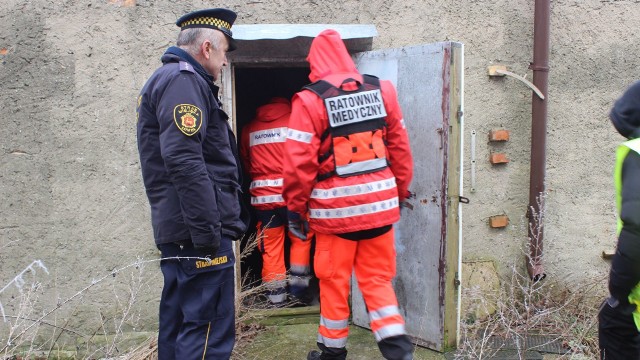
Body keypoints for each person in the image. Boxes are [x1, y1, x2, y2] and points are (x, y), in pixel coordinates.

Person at [282, 29, 415, 360]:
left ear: (314, 63)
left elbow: (299, 165)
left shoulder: (309, 100)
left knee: (333, 282)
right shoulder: (382, 90)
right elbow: (399, 147)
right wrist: (398, 192)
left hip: (334, 217)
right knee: (377, 281)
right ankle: (398, 350)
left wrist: (296, 210)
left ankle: (331, 353)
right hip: (380, 210)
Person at [136, 8, 248, 360]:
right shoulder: (183, 81)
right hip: (197, 233)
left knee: (181, 324)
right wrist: (207, 234)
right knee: (207, 330)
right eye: (225, 51)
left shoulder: (172, 79)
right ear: (207, 49)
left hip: (184, 230)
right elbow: (184, 161)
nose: (226, 62)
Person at [240, 97, 313, 306]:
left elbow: (246, 161)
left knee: (271, 247)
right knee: (300, 241)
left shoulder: (249, 129)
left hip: (264, 201)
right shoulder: (296, 122)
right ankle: (299, 295)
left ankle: (276, 300)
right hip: (294, 198)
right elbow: (308, 157)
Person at [599, 81, 640, 360]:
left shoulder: (637, 152)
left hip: (636, 302)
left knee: (612, 324)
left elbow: (637, 229)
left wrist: (619, 290)